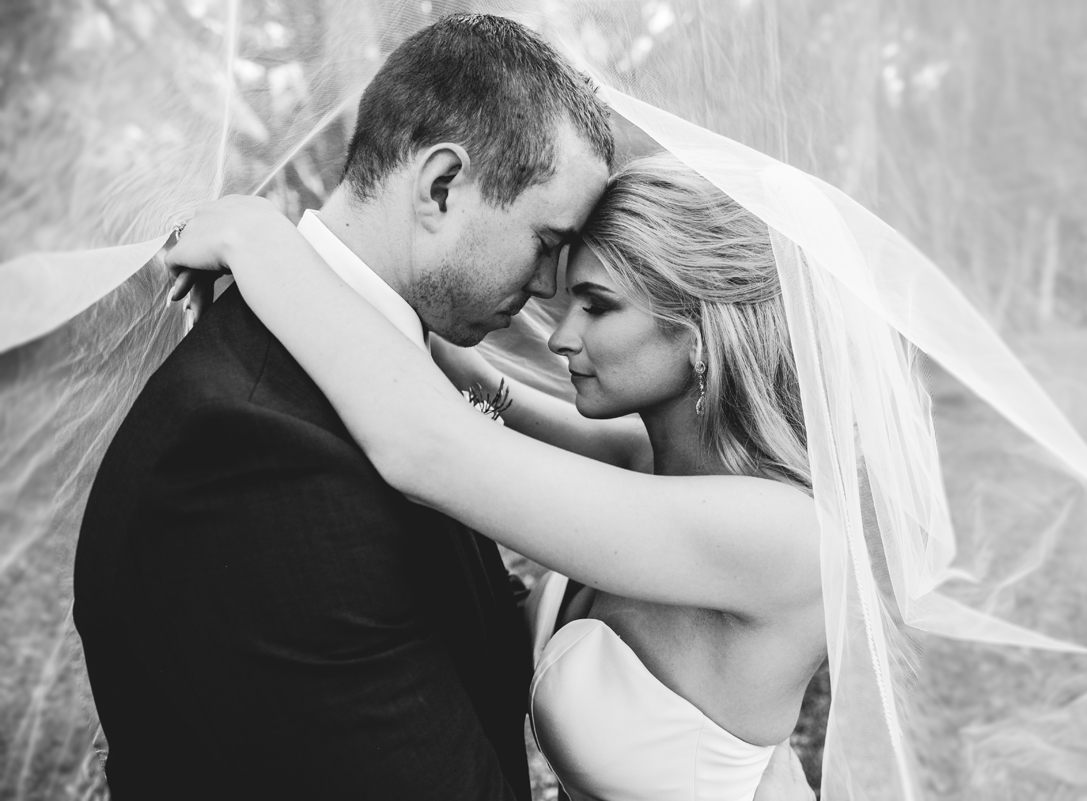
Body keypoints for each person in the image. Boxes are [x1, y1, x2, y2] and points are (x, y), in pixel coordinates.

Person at [166, 152, 824, 801]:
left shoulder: (779, 535)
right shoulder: (643, 458)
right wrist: (390, 274)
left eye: (596, 306)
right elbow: (482, 383)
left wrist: (256, 238)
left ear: (699, 333)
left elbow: (427, 446)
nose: (561, 337)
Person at [72, 14, 612, 799]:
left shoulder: (382, 371)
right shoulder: (249, 462)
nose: (550, 286)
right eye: (547, 241)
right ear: (440, 186)